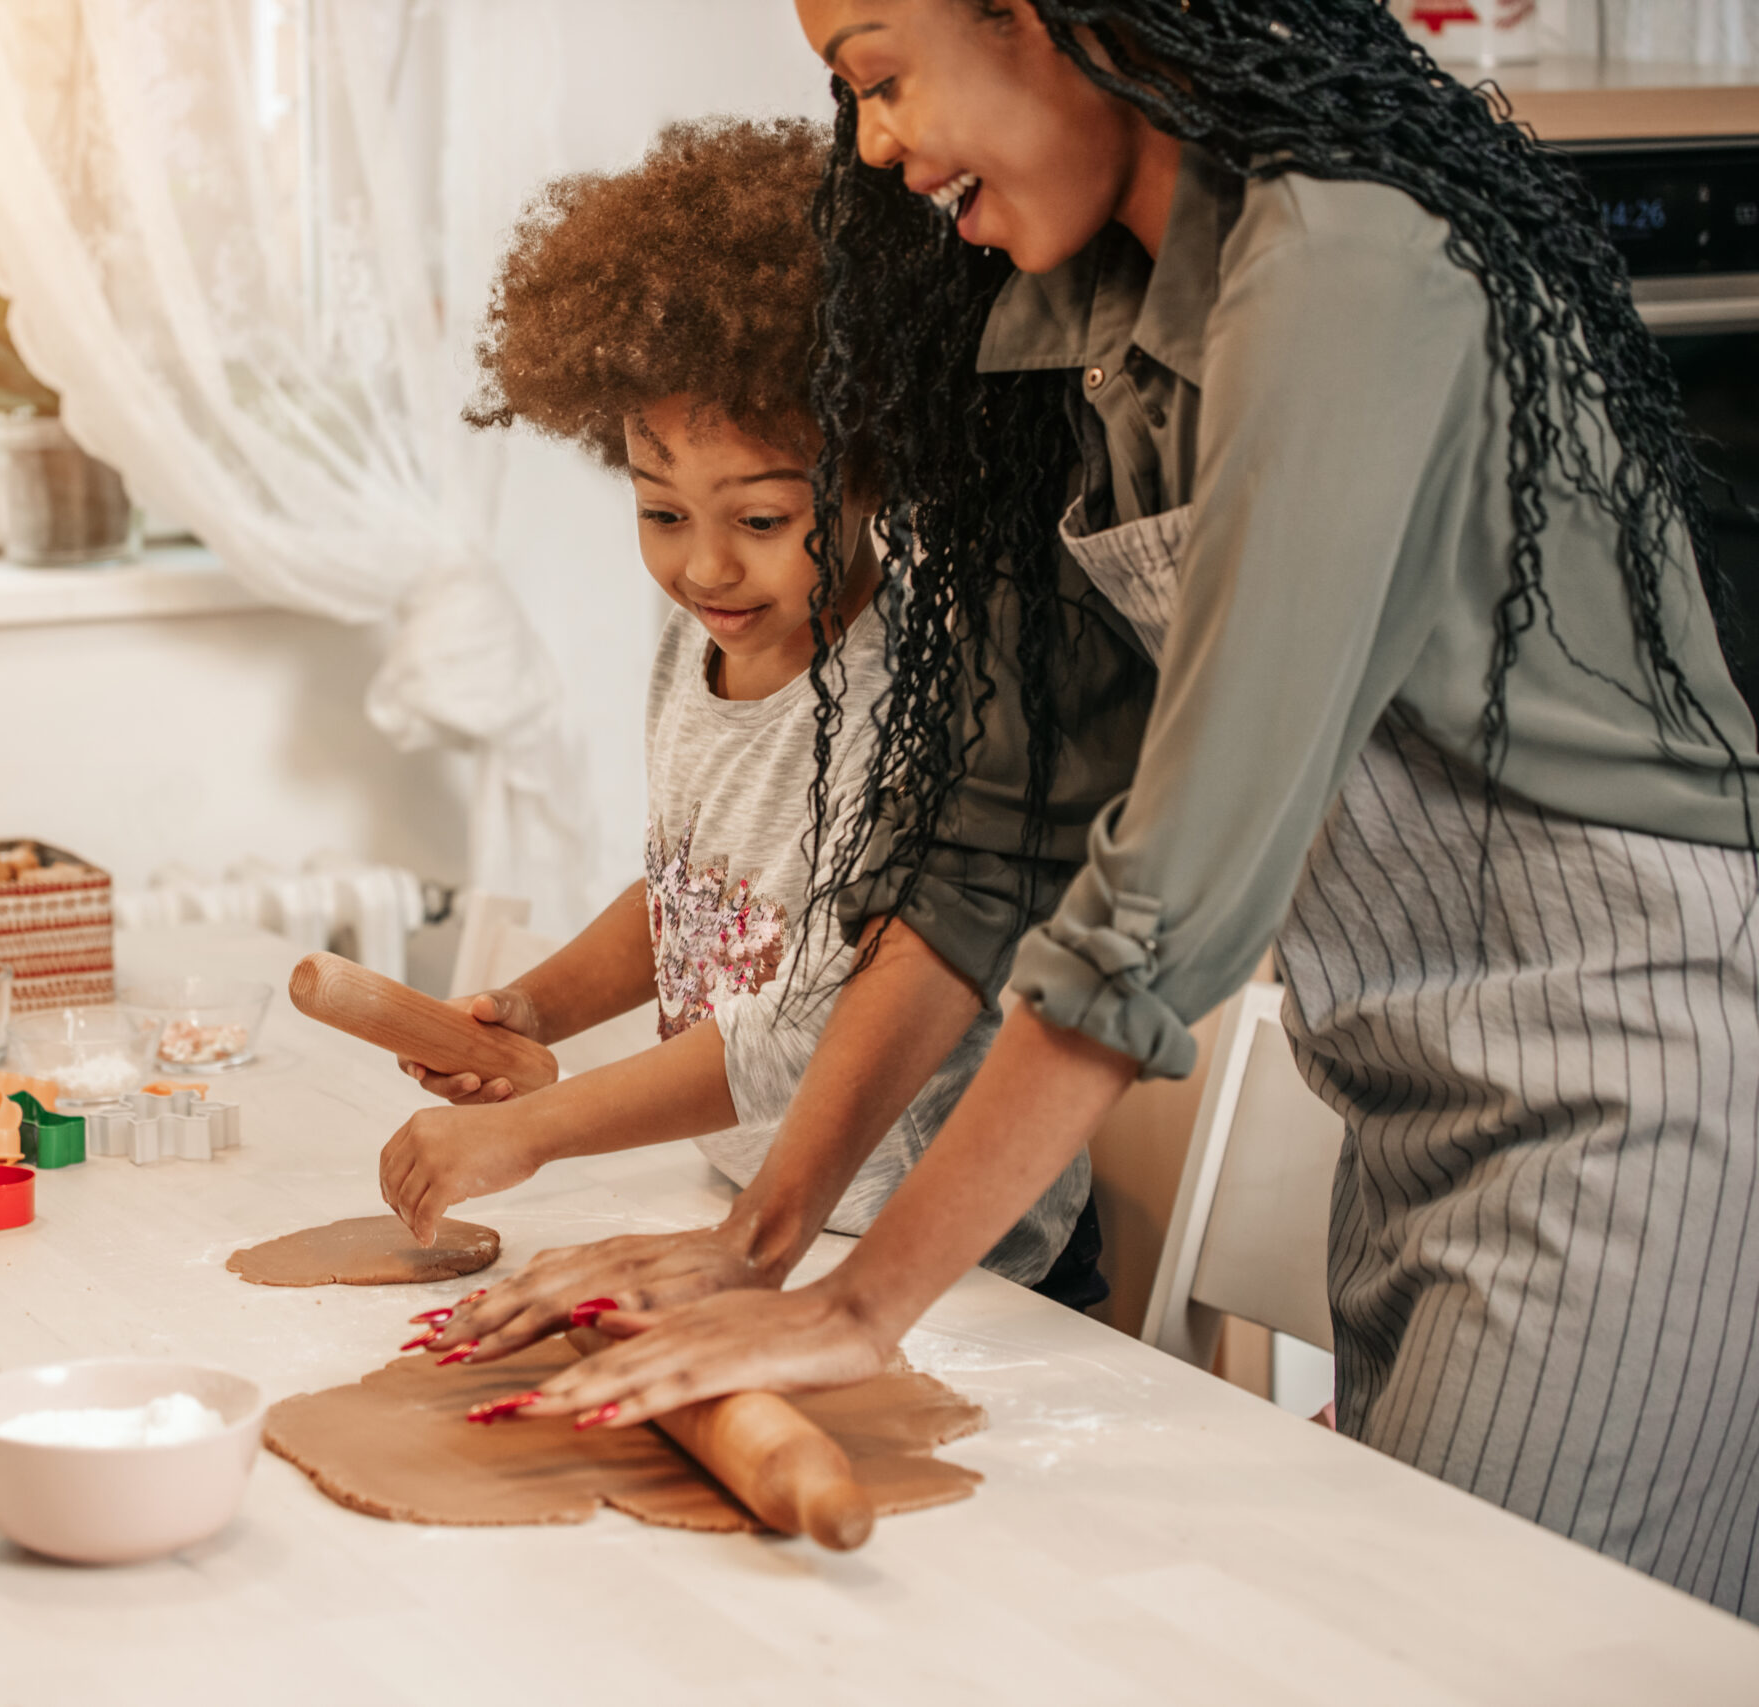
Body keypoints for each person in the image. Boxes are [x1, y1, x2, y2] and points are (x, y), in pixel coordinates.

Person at [499, 0, 1759, 1621]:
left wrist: (865, 1303)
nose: (874, 143)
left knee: (1462, 1645)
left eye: (881, 75)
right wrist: (764, 1236)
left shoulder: (1348, 262)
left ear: (1046, 17)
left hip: (1626, 1086)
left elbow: (1168, 891)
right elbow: (995, 844)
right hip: (1414, 1103)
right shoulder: (1089, 314)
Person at [389, 116, 1117, 1362]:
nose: (703, 563)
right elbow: (693, 894)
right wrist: (535, 1009)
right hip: (755, 1211)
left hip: (939, 1258)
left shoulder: (912, 684)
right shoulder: (706, 635)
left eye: (764, 518)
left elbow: (807, 1034)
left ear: (878, 473)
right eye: (660, 509)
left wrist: (536, 1129)